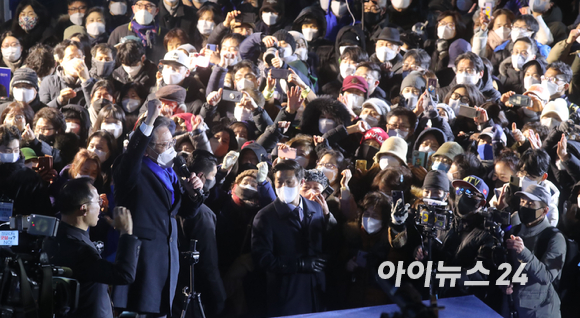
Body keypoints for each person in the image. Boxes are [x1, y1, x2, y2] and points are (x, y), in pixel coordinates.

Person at [111, 99, 202, 316]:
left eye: (171, 143)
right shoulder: (131, 168)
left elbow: (184, 213)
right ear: (147, 147)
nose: (169, 149)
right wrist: (149, 119)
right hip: (141, 257)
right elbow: (132, 155)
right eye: (163, 145)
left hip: (166, 256)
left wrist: (192, 193)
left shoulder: (170, 172)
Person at [43, 178, 141, 318]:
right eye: (97, 201)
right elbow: (124, 275)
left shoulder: (53, 238)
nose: (101, 207)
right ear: (84, 208)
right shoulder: (79, 250)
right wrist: (126, 233)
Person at [251, 159, 337, 316]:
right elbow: (262, 258)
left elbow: (324, 242)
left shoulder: (316, 208)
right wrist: (299, 264)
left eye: (289, 182)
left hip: (316, 290)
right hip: (287, 293)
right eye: (279, 182)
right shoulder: (265, 217)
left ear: (301, 182)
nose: (284, 187)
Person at [504, 184, 566, 318]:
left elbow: (547, 276)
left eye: (531, 204)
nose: (525, 207)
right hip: (512, 307)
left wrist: (523, 252)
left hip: (541, 310)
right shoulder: (514, 231)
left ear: (544, 210)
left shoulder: (554, 238)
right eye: (522, 202)